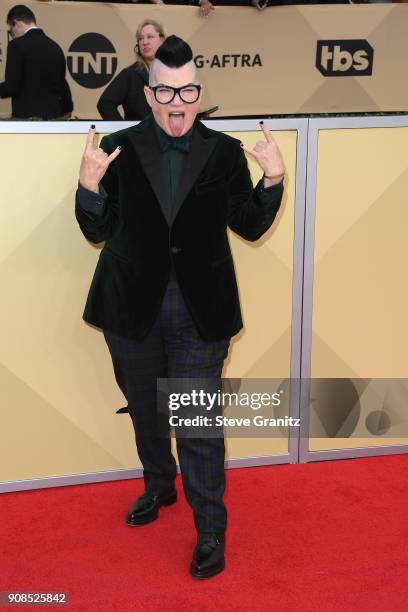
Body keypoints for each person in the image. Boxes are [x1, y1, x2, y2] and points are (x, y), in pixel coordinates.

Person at [75, 35, 285, 579]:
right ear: (149, 94)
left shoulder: (223, 151)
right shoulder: (117, 148)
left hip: (200, 312)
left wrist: (274, 178)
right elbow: (96, 230)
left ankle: (210, 528)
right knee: (146, 412)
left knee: (197, 425)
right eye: (165, 90)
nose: (176, 100)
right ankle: (157, 486)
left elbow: (251, 224)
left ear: (199, 92)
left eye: (187, 89)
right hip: (130, 308)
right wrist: (88, 188)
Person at [0, 5, 73, 120]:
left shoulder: (16, 45)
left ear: (16, 23)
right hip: (54, 120)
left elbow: (12, 87)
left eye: (11, 30)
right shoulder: (55, 47)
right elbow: (62, 85)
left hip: (26, 121)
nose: (12, 34)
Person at [97, 19, 165, 121]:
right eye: (140, 38)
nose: (144, 42)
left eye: (150, 37)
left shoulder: (174, 71)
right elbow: (105, 104)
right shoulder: (130, 73)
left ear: (162, 40)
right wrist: (124, 131)